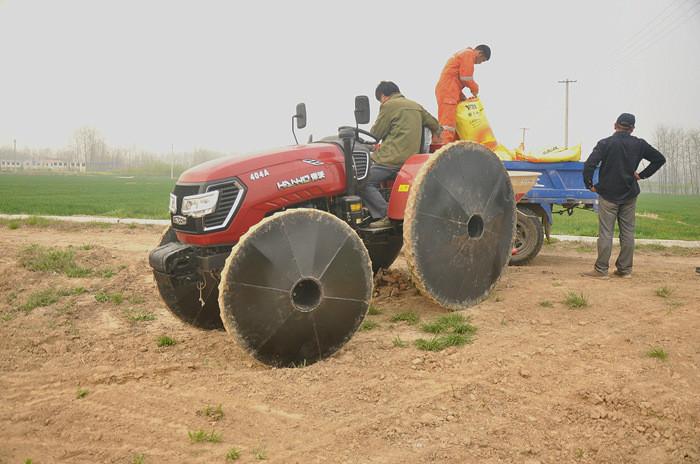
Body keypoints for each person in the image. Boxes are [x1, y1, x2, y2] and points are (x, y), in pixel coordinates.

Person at [582, 113, 666, 278]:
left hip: (607, 194)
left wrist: (590, 185)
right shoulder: (640, 145)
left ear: (615, 125)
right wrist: (642, 175)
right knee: (628, 233)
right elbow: (659, 159)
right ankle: (625, 270)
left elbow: (589, 164)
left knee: (606, 233)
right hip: (629, 194)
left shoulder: (605, 143)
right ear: (632, 129)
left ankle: (601, 271)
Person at [360, 81, 441, 229]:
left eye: (380, 99)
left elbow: (375, 135)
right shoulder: (416, 106)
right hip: (411, 163)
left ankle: (385, 214)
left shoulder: (388, 106)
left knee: (362, 181)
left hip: (391, 160)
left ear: (383, 96)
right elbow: (436, 125)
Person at [435, 44, 491, 144]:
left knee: (454, 123)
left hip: (451, 90)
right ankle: (444, 148)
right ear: (479, 53)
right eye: (482, 60)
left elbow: (455, 78)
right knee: (448, 125)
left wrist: (461, 96)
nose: (479, 63)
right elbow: (466, 77)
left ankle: (453, 146)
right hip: (448, 92)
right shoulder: (468, 54)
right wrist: (475, 88)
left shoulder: (463, 54)